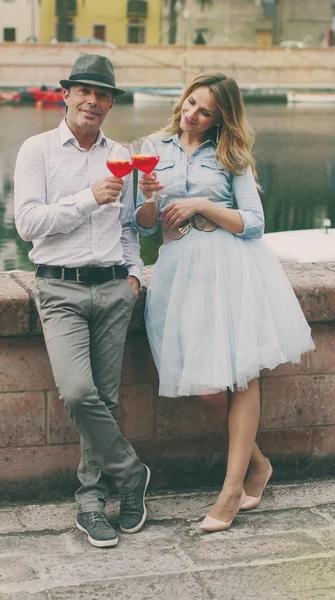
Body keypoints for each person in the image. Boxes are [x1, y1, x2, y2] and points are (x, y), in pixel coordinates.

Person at [133, 73, 314, 532]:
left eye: (206, 110)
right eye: (191, 102)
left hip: (231, 267)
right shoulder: (152, 147)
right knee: (207, 387)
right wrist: (150, 198)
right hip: (178, 270)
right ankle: (257, 465)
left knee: (241, 375)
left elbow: (253, 222)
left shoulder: (230, 156)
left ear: (221, 118)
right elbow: (146, 227)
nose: (193, 114)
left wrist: (201, 205)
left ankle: (231, 490)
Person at [14, 54, 150, 548]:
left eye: (102, 94)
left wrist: (133, 276)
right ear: (66, 94)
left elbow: (131, 226)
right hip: (59, 288)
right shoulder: (37, 150)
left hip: (114, 287)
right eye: (83, 91)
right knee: (78, 393)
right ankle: (133, 474)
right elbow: (27, 223)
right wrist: (88, 198)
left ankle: (92, 503)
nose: (92, 101)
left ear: (111, 102)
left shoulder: (123, 154)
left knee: (107, 401)